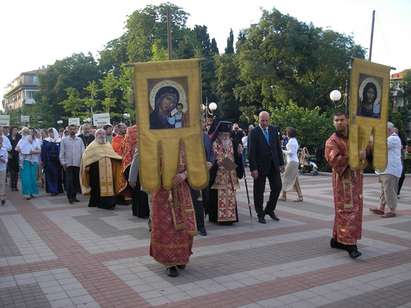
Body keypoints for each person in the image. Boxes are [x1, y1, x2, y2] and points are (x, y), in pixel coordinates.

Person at [150, 145, 197, 277]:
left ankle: (182, 257)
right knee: (167, 227)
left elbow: (195, 163)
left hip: (182, 190)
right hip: (162, 192)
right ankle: (169, 262)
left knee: (184, 226)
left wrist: (184, 174)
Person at [325, 112, 365, 259]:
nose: (339, 122)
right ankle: (351, 245)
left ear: (347, 121)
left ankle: (337, 240)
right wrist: (354, 156)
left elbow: (364, 154)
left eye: (342, 120)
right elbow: (334, 160)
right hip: (343, 183)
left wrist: (364, 153)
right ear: (333, 123)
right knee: (347, 212)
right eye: (336, 120)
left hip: (356, 181)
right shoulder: (332, 141)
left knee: (351, 210)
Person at [248, 111, 284, 224]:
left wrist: (281, 163)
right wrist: (253, 168)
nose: (264, 123)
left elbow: (278, 147)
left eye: (266, 120)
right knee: (259, 191)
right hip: (259, 166)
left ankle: (269, 209)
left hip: (273, 164)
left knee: (278, 186)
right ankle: (260, 214)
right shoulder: (253, 132)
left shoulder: (273, 130)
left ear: (269, 120)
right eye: (262, 120)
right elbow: (251, 152)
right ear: (258, 120)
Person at [80, 129, 122, 210]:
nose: (101, 135)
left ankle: (110, 203)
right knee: (97, 187)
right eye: (99, 134)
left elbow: (113, 155)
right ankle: (99, 202)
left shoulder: (108, 145)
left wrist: (119, 159)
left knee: (110, 186)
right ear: (96, 135)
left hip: (109, 170)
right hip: (96, 171)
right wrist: (87, 166)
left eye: (103, 133)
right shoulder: (92, 146)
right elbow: (85, 157)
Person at [209, 121, 240, 224]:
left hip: (230, 176)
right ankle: (217, 218)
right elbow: (219, 157)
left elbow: (233, 156)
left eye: (227, 134)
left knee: (230, 197)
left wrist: (239, 153)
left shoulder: (231, 142)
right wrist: (231, 166)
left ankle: (231, 218)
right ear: (219, 134)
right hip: (219, 175)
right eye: (224, 135)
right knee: (217, 197)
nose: (226, 137)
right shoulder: (215, 143)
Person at [370, 122, 403, 218]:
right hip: (386, 169)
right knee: (384, 190)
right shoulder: (388, 138)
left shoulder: (393, 139)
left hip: (390, 170)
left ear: (388, 130)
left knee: (389, 190)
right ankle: (381, 208)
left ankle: (392, 210)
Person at [120, 125, 150, 217]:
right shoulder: (141, 142)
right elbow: (136, 158)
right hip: (139, 168)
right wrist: (131, 177)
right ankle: (141, 212)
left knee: (138, 191)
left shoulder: (131, 136)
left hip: (137, 167)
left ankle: (139, 211)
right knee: (140, 192)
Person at [60, 124, 85, 204]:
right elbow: (62, 152)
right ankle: (70, 197)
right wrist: (63, 163)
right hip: (68, 164)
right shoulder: (64, 140)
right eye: (71, 129)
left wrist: (82, 162)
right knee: (69, 181)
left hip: (77, 163)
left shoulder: (79, 140)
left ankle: (74, 196)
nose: (72, 131)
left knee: (75, 181)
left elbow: (83, 151)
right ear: (68, 130)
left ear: (76, 130)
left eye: (74, 129)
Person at [280, 127, 303, 202]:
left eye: (286, 132)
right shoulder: (294, 140)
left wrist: (282, 151)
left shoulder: (291, 141)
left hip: (292, 162)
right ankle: (300, 196)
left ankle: (283, 195)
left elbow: (291, 152)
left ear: (288, 133)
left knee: (285, 178)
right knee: (295, 180)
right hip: (294, 161)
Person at [16, 127, 40, 200]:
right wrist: (20, 150)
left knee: (33, 177)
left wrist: (33, 152)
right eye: (30, 132)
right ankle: (27, 193)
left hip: (34, 161)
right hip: (25, 160)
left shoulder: (36, 140)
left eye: (32, 132)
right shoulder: (22, 140)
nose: (31, 133)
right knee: (26, 177)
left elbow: (39, 150)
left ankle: (33, 192)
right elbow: (17, 148)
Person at [41, 128, 63, 196]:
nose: (50, 134)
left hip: (57, 161)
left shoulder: (59, 141)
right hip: (49, 161)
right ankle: (53, 190)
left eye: (52, 132)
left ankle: (58, 189)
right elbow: (43, 151)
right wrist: (43, 161)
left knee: (57, 175)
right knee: (50, 176)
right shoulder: (46, 141)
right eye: (49, 132)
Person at [7, 127, 21, 191]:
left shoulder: (19, 137)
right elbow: (6, 146)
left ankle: (15, 185)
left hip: (17, 156)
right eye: (14, 130)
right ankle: (12, 186)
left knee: (16, 172)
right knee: (12, 172)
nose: (15, 131)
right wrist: (8, 154)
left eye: (16, 130)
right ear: (11, 130)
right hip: (10, 156)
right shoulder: (8, 137)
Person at [0, 137, 8, 205]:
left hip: (2, 169)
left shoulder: (4, 150)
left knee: (2, 183)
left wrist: (2, 159)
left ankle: (2, 198)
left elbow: (6, 160)